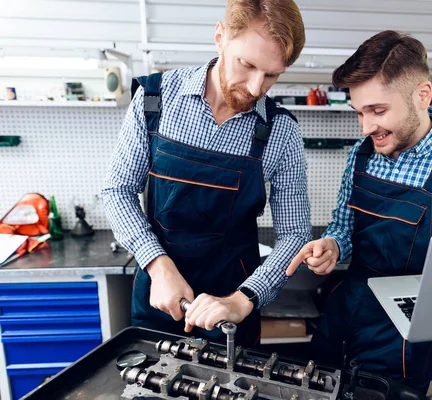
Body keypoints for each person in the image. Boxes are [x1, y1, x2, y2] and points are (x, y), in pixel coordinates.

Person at [286, 30, 432, 394]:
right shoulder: (361, 155)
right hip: (346, 313)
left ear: (422, 95)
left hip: (409, 337)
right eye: (359, 112)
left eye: (377, 111)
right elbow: (344, 228)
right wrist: (332, 243)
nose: (366, 127)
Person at [102, 0, 311, 347]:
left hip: (231, 309)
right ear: (220, 37)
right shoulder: (155, 101)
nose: (257, 88)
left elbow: (295, 234)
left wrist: (243, 300)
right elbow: (118, 189)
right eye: (247, 65)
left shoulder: (281, 133)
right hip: (159, 296)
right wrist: (158, 266)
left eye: (272, 74)